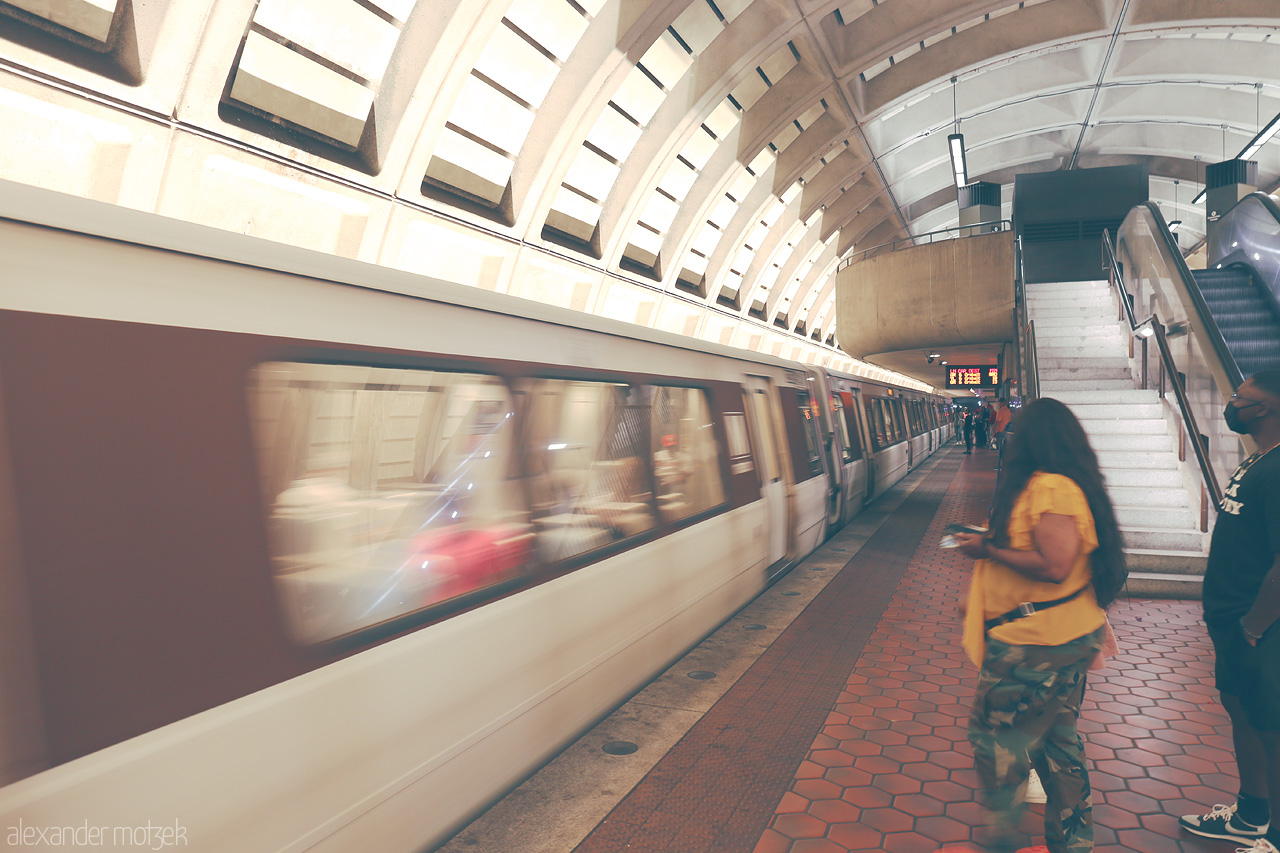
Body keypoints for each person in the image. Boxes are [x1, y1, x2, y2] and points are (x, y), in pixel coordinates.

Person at [942, 398, 1127, 853]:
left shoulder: (1052, 488)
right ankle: (1072, 841)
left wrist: (987, 550)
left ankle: (1002, 837)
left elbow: (1056, 564)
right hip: (1056, 635)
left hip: (1037, 643)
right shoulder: (1050, 486)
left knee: (994, 740)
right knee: (1057, 742)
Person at [1178, 370, 1280, 853]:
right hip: (1235, 624)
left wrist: (1256, 625)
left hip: (1259, 627)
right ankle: (1251, 814)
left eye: (1242, 397)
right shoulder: (1259, 460)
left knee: (1270, 725)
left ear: (1266, 408)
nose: (1232, 403)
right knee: (1241, 712)